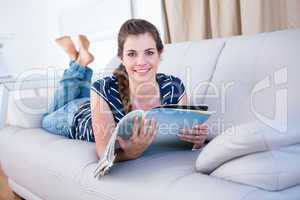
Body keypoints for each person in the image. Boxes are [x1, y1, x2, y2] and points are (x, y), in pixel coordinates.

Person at [42, 19, 208, 162]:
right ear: (121, 57)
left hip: (97, 105)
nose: (141, 61)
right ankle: (77, 64)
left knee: (83, 93)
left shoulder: (174, 88)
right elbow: (103, 153)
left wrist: (196, 141)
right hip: (75, 115)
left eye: (149, 52)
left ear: (159, 53)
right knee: (46, 118)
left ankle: (79, 60)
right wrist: (132, 152)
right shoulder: (102, 88)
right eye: (132, 54)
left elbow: (182, 141)